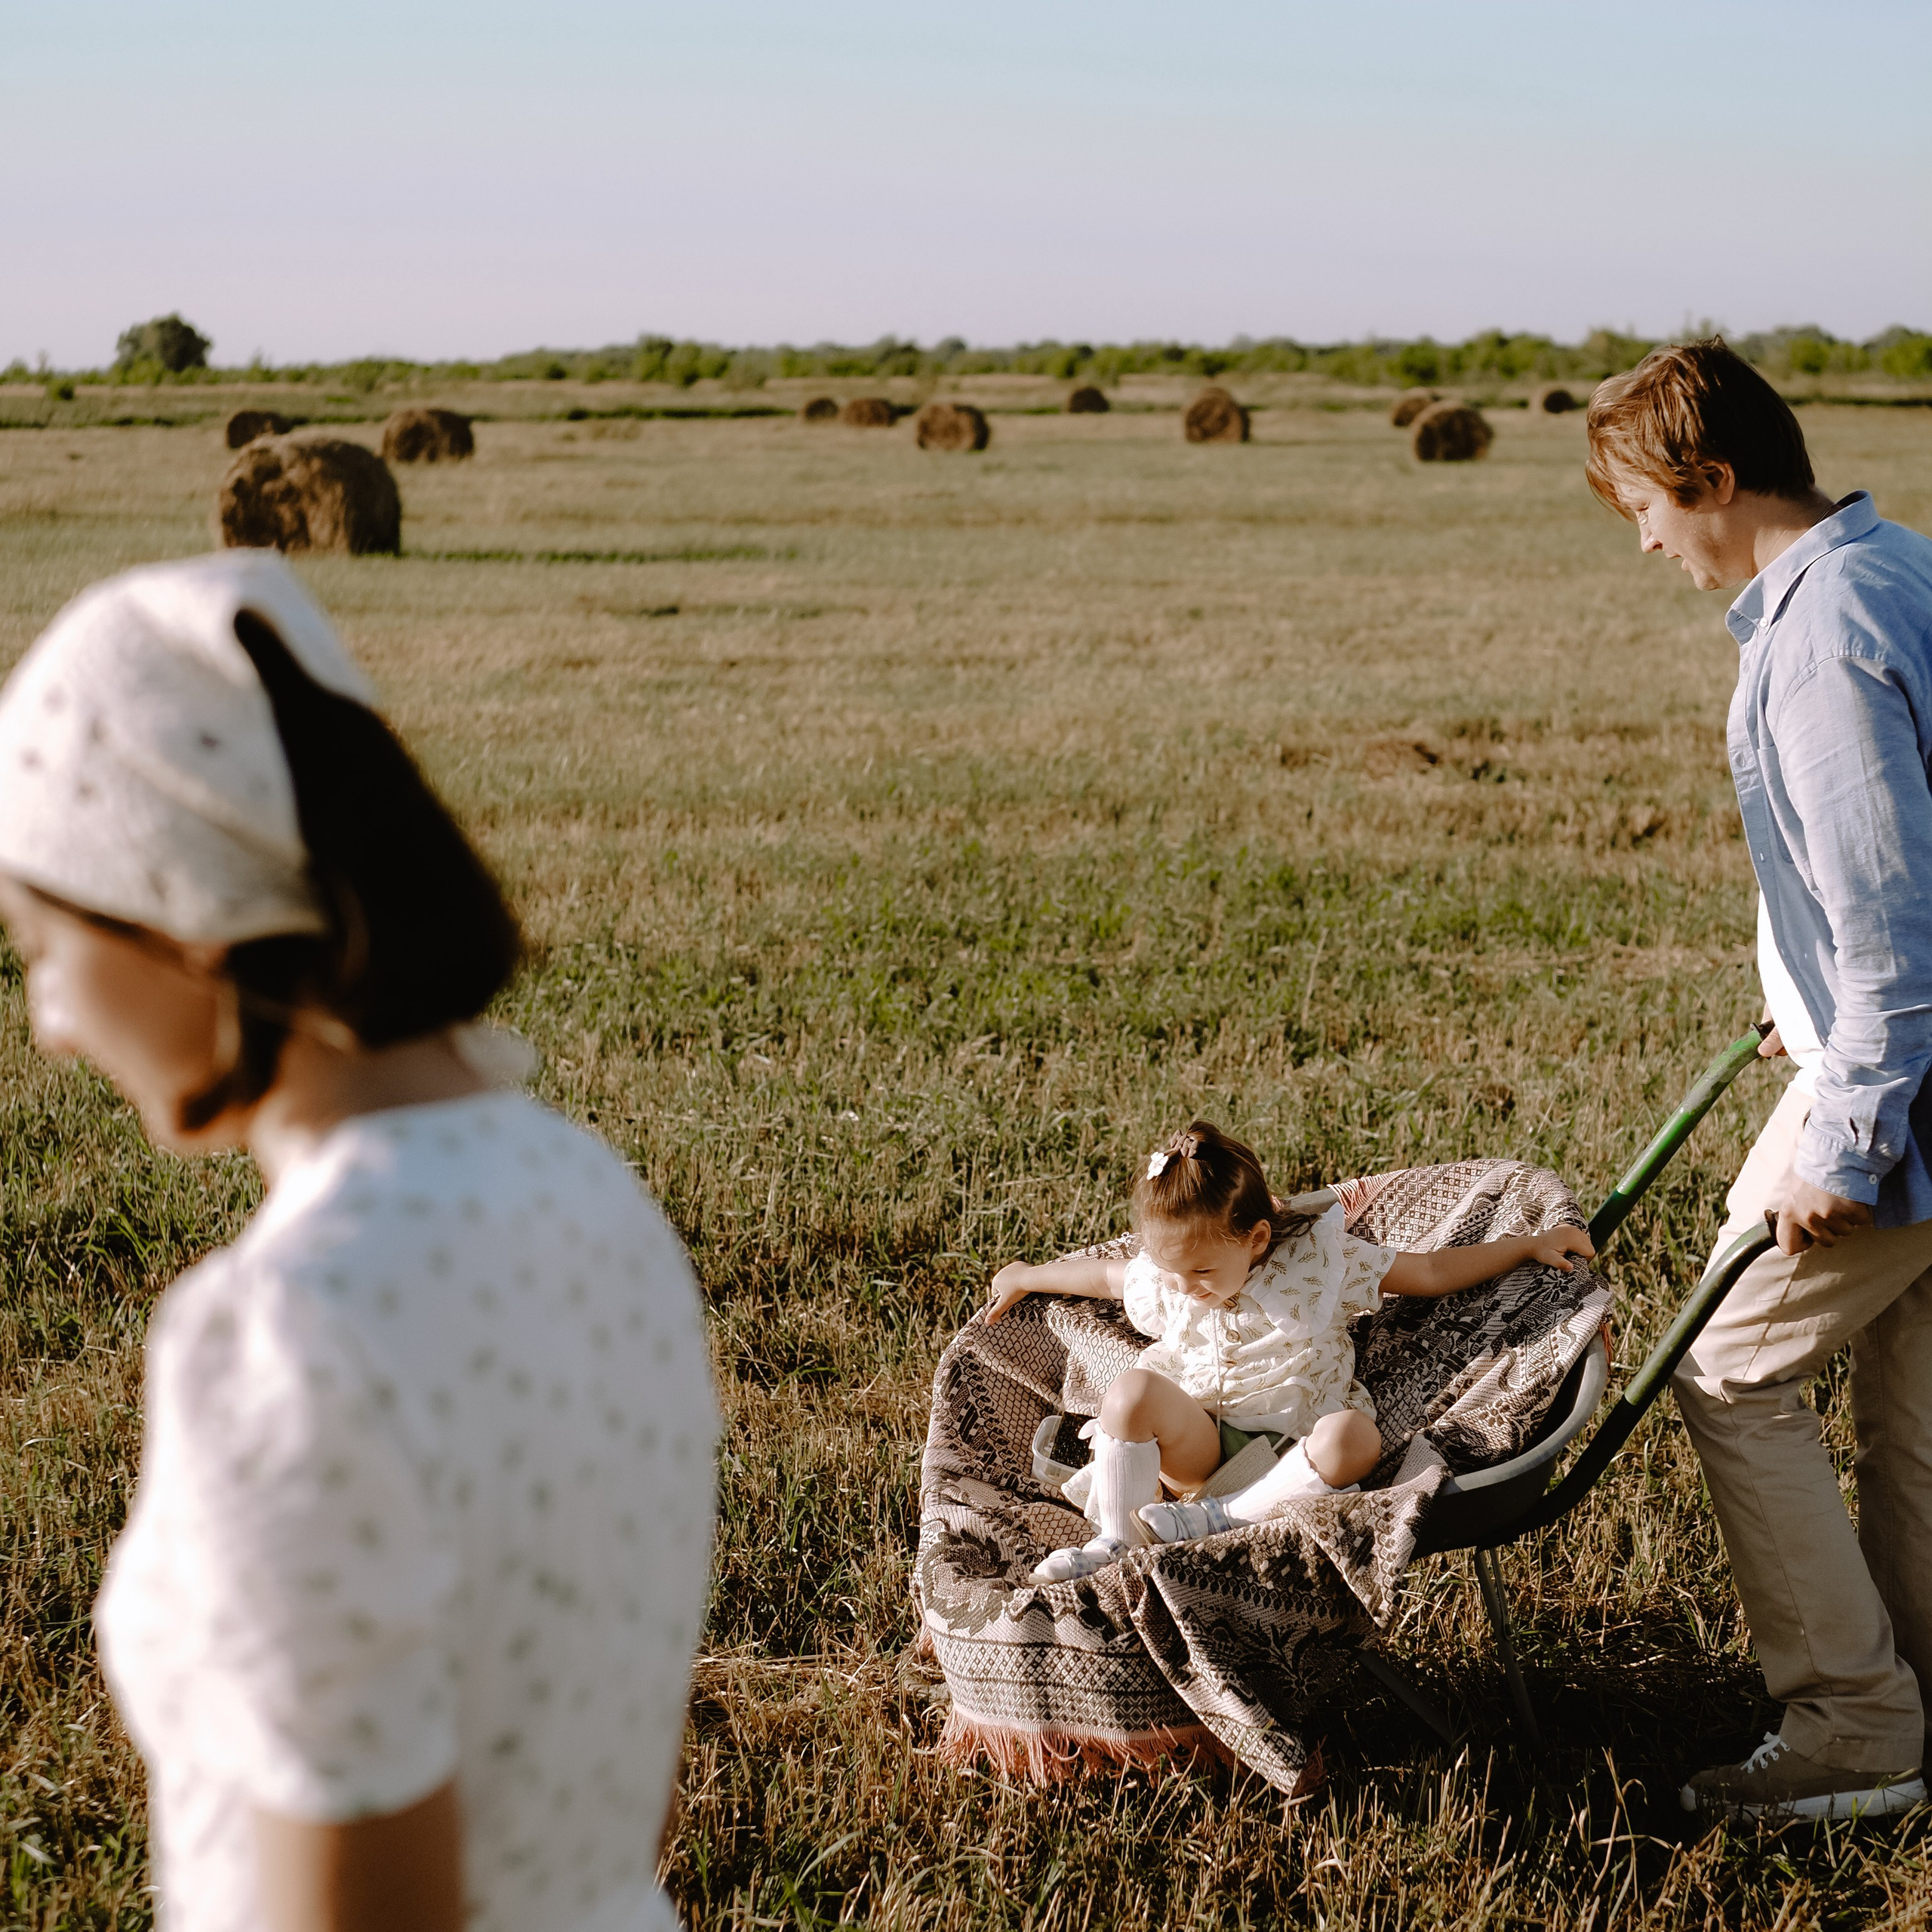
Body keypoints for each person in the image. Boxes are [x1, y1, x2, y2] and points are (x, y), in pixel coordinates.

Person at [0, 552, 716, 1931]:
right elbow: (608, 1766)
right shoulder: (594, 1198)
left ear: (182, 913)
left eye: (45, 948)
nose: (51, 1022)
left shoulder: (287, 1330)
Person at [1588, 337, 1932, 1821]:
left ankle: (1854, 1725)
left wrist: (1845, 1145)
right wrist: (1809, 999)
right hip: (1884, 1053)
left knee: (1727, 1367)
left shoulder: (1819, 639)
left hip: (1899, 1087)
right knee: (1914, 1405)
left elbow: (1893, 925)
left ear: (1710, 479)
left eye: (1641, 507)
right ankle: (1914, 1695)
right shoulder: (1893, 566)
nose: (1644, 542)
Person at [984, 1120, 1592, 1583]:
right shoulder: (1171, 1280)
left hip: (1291, 1458)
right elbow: (1108, 1277)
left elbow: (1429, 1271)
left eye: (1201, 1271)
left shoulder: (1320, 1263)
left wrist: (1524, 1246)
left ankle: (1225, 1519)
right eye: (1172, 1272)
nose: (1184, 1287)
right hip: (1198, 1444)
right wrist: (1029, 1275)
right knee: (1132, 1392)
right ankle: (1117, 1540)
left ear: (1255, 1239)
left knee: (1354, 1437)